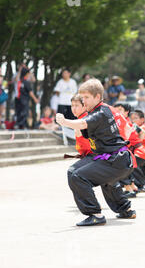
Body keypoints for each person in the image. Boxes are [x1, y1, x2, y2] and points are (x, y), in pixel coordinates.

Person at [55, 78, 137, 226]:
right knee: (74, 170)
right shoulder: (95, 111)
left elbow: (83, 123)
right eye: (82, 98)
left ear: (97, 97)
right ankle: (125, 210)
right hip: (109, 159)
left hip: (117, 160)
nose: (83, 101)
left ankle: (95, 214)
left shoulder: (101, 112)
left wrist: (64, 121)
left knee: (78, 176)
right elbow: (83, 130)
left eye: (86, 97)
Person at [114, 103, 145, 197]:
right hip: (137, 150)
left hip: (138, 151)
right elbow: (142, 132)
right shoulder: (128, 122)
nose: (117, 112)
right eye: (116, 110)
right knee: (129, 168)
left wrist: (137, 144)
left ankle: (133, 188)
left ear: (126, 112)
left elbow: (142, 132)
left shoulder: (124, 123)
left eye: (120, 110)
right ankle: (134, 187)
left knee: (122, 167)